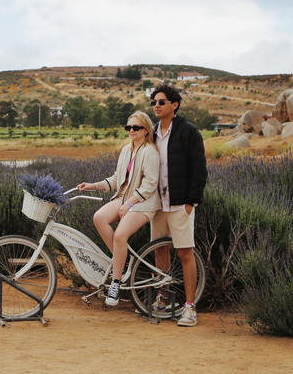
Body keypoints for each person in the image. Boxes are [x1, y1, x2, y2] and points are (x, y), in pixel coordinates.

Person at [77, 111, 161, 306]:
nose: (131, 130)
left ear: (146, 129)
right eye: (128, 127)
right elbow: (117, 180)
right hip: (124, 198)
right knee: (99, 217)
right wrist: (93, 185)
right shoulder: (126, 150)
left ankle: (116, 283)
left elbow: (150, 184)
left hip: (144, 202)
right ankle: (122, 265)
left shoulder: (150, 152)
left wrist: (129, 204)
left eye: (136, 127)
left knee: (119, 235)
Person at [149, 84, 207, 327]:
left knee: (184, 254)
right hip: (157, 205)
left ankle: (190, 308)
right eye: (154, 102)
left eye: (161, 101)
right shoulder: (151, 133)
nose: (156, 105)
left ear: (175, 105)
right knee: (159, 252)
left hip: (180, 205)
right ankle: (162, 299)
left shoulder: (188, 132)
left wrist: (191, 203)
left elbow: (199, 168)